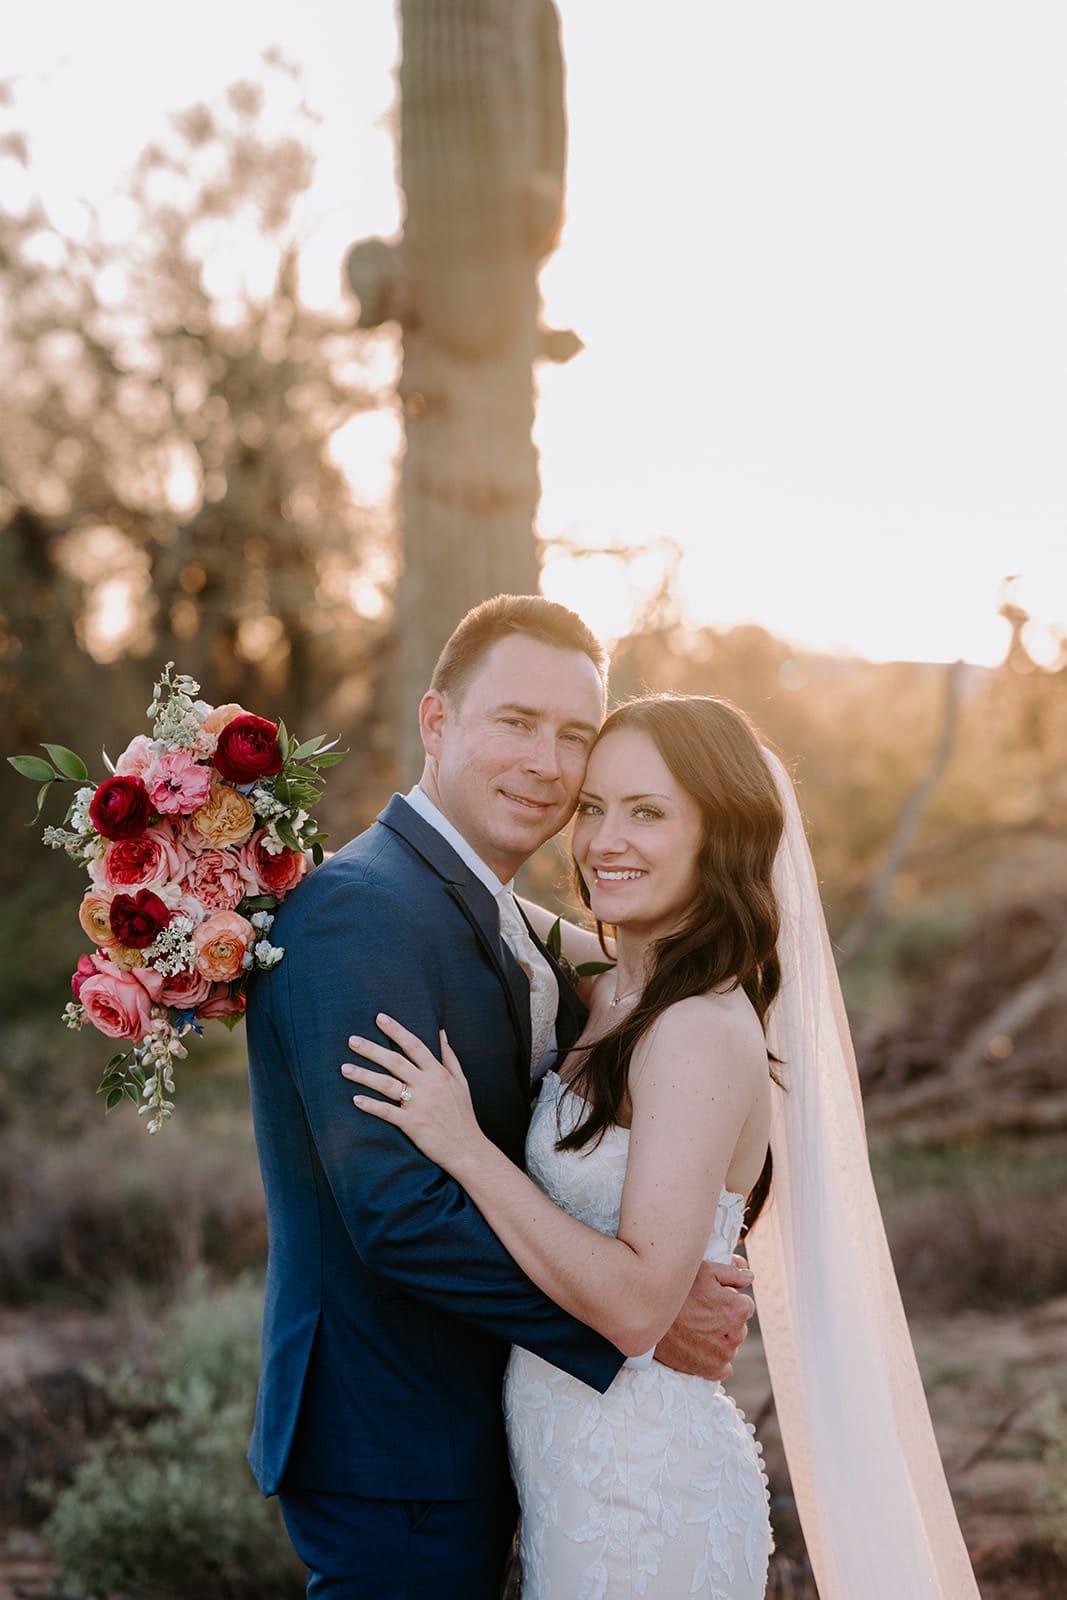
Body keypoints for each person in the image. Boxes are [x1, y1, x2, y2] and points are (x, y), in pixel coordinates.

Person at [344, 694, 981, 1599]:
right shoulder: (613, 982)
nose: (605, 840)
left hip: (642, 1492)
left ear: (717, 838)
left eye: (647, 812)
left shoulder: (694, 1027)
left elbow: (642, 1306)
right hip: (576, 1475)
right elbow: (468, 901)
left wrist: (466, 1149)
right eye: (594, 807)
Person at [245, 598, 755, 1600]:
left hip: (499, 1439)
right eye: (516, 722)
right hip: (396, 1438)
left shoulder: (512, 920)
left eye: (574, 737)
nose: (546, 764)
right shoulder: (361, 910)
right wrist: (631, 1324)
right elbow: (396, 1212)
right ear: (436, 723)